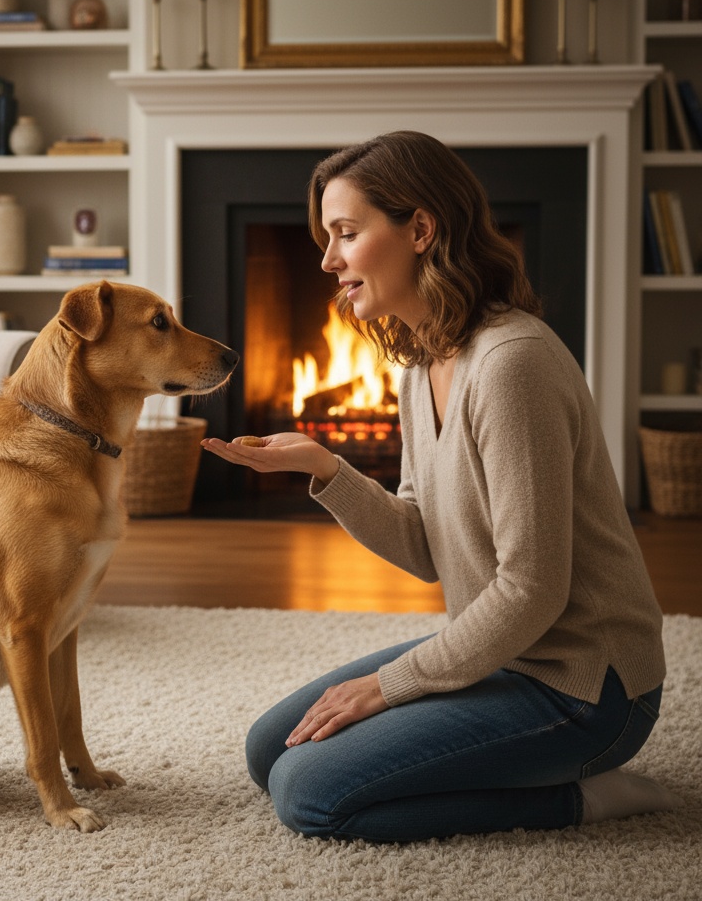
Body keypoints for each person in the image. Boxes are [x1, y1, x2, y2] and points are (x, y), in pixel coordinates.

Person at [202, 131, 681, 842]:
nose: (328, 260)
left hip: (585, 688)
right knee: (269, 750)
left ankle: (586, 797)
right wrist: (325, 470)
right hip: (503, 656)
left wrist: (389, 686)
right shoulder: (420, 364)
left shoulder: (511, 364)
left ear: (420, 229)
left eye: (346, 233)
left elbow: (533, 589)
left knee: (308, 794)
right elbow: (429, 548)